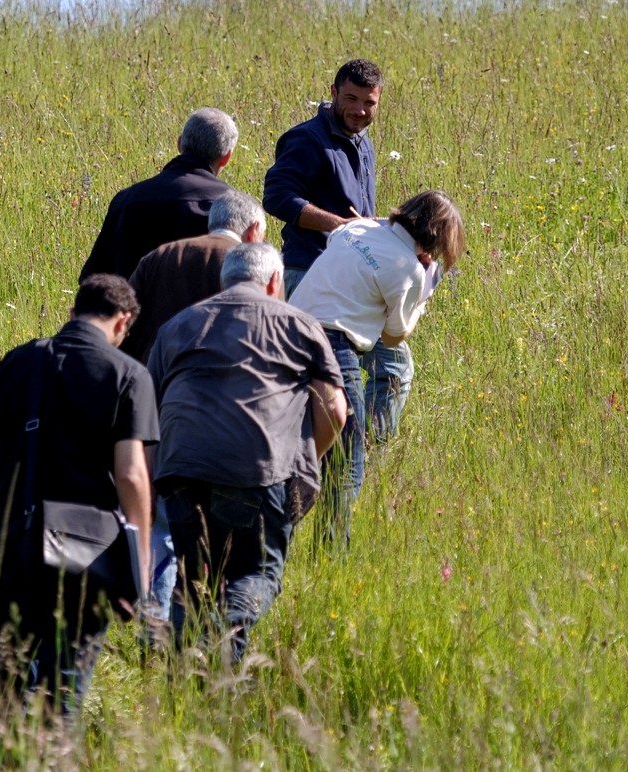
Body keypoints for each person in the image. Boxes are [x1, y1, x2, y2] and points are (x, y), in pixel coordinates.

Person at [0, 275, 156, 718]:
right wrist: (140, 559)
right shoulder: (129, 375)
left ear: (72, 314)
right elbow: (130, 474)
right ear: (123, 323)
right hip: (83, 562)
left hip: (11, 549)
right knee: (61, 696)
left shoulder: (18, 362)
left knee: (4, 688)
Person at [146, 242, 347, 665]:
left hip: (180, 470)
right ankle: (224, 646)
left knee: (194, 576)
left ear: (223, 282)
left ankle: (185, 677)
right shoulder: (301, 325)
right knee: (255, 573)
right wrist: (302, 458)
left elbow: (147, 412)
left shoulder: (179, 325)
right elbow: (334, 409)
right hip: (257, 470)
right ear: (276, 282)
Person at [119, 189, 266, 625]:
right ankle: (210, 628)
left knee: (161, 526)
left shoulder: (159, 257)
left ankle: (154, 627)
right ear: (254, 229)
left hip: (159, 406)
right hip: (234, 420)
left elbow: (128, 328)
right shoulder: (254, 272)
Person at [288, 190, 464, 544]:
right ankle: (330, 553)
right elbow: (395, 335)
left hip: (286, 333)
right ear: (437, 238)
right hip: (334, 348)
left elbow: (342, 235)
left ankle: (272, 532)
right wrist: (423, 298)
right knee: (346, 462)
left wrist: (373, 224)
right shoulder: (411, 271)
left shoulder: (357, 230)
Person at [262, 59, 413, 443]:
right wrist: (337, 225)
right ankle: (341, 457)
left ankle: (361, 449)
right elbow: (277, 196)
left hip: (353, 282)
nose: (360, 110)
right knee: (314, 380)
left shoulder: (363, 142)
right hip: (311, 274)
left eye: (369, 103)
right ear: (332, 93)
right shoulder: (306, 139)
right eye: (351, 99)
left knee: (392, 365)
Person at [80, 107, 238, 281]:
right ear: (226, 157)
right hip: (205, 308)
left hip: (133, 307)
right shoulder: (233, 207)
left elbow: (95, 279)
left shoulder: (126, 200)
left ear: (179, 144)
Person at [120, 189, 266, 363]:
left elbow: (124, 317)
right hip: (225, 377)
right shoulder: (255, 264)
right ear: (254, 228)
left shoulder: (158, 256)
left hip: (157, 372)